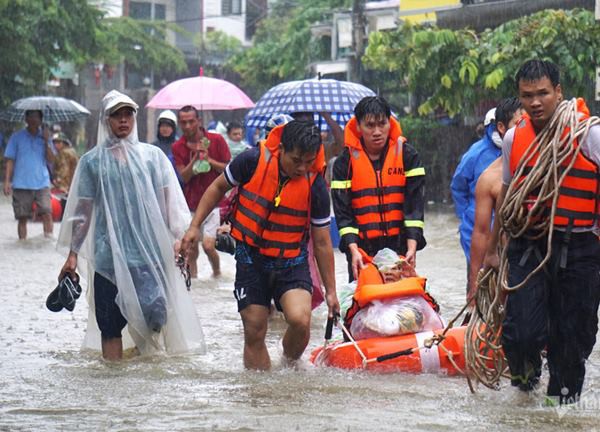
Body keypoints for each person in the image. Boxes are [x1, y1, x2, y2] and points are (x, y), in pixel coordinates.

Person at [56, 90, 205, 361]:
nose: (123, 120)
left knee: (156, 316)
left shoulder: (152, 157)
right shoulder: (92, 162)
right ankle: (114, 387)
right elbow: (83, 212)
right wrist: (72, 254)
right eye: (116, 115)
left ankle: (142, 375)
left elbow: (167, 203)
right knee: (110, 327)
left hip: (148, 256)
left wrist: (177, 239)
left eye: (128, 114)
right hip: (107, 259)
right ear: (106, 120)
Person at [179, 120, 340, 370]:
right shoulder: (252, 160)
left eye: (308, 162)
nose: (302, 168)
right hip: (250, 259)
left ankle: (288, 363)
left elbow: (321, 241)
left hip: (292, 262)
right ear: (282, 149)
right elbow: (218, 187)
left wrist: (331, 291)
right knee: (254, 329)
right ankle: (260, 395)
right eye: (296, 160)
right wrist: (193, 227)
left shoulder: (315, 184)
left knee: (300, 320)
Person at [487, 60, 600, 404]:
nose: (535, 102)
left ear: (558, 92)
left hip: (579, 245)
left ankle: (557, 413)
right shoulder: (512, 138)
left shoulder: (589, 134)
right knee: (521, 333)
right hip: (528, 243)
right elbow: (507, 194)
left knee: (572, 340)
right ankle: (525, 390)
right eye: (527, 96)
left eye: (542, 94)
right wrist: (493, 250)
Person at [331, 96, 426, 282]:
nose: (377, 131)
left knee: (401, 305)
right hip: (361, 250)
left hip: (398, 247)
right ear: (358, 126)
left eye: (382, 124)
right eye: (370, 125)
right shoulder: (345, 162)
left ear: (390, 124)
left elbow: (415, 207)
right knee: (365, 303)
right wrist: (353, 250)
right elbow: (343, 214)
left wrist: (412, 249)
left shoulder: (408, 155)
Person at [451, 99, 521, 287]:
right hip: (477, 226)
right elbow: (458, 185)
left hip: (512, 246)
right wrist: (466, 213)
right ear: (498, 127)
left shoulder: (536, 159)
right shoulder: (477, 154)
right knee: (481, 286)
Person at [172, 105, 231, 279]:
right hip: (190, 203)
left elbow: (228, 169)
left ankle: (217, 274)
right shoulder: (178, 146)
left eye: (191, 121)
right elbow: (183, 176)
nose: (188, 126)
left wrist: (209, 160)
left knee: (208, 245)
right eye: (183, 122)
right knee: (191, 248)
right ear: (179, 124)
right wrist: (195, 160)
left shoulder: (217, 140)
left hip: (214, 203)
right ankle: (194, 283)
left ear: (199, 121)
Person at [3, 110, 55, 239]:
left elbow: (51, 159)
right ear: (25, 119)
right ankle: (22, 244)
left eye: (36, 117)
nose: (33, 120)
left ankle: (48, 242)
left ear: (41, 120)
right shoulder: (16, 137)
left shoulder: (45, 138)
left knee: (47, 214)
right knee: (22, 218)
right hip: (21, 183)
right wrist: (7, 181)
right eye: (30, 117)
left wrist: (47, 141)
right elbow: (10, 160)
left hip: (42, 183)